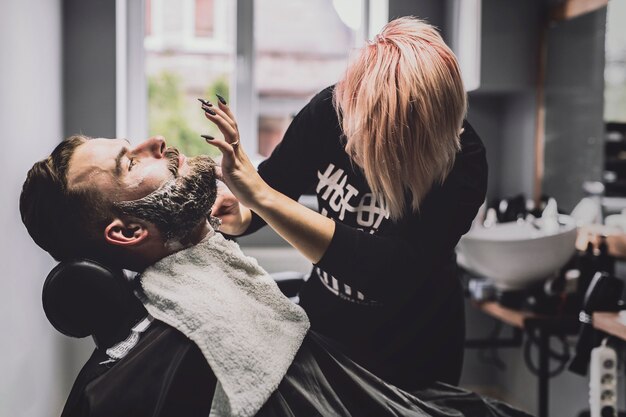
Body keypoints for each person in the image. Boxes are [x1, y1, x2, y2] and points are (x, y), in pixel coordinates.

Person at [21, 135, 525, 417]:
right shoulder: (185, 347)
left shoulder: (204, 286)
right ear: (127, 231)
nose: (155, 140)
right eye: (130, 162)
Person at [207, 16, 488, 391]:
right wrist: (241, 217)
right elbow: (277, 184)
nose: (353, 144)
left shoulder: (463, 162)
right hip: (326, 331)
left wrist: (260, 196)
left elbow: (386, 274)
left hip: (417, 351)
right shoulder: (330, 110)